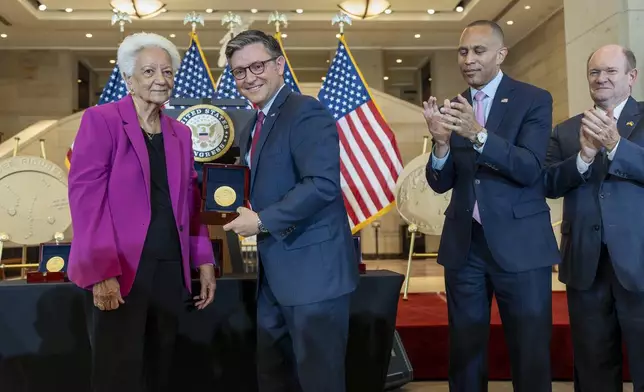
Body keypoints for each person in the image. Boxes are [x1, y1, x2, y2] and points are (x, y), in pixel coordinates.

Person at [67, 32, 216, 392]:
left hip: (169, 269)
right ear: (128, 79)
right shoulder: (100, 120)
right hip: (120, 268)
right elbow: (86, 200)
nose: (160, 79)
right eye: (149, 71)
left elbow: (189, 203)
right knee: (116, 371)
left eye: (167, 71)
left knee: (161, 369)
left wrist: (204, 260)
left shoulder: (180, 132)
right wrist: (102, 271)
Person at [424, 20, 560, 391]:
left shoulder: (533, 99)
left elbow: (531, 167)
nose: (468, 59)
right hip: (465, 247)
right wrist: (440, 146)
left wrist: (477, 135)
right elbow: (440, 182)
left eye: (479, 51)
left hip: (520, 244)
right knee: (465, 353)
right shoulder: (455, 105)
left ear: (501, 55)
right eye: (463, 51)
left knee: (529, 350)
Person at [221, 30, 358, 392]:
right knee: (275, 376)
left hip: (315, 274)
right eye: (239, 71)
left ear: (279, 64)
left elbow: (322, 184)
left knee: (319, 380)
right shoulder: (250, 125)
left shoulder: (305, 110)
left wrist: (262, 220)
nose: (249, 77)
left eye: (257, 66)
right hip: (273, 273)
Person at [545, 44, 644, 391]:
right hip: (585, 263)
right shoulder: (567, 131)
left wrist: (616, 145)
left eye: (610, 72)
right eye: (594, 73)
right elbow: (547, 183)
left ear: (631, 77)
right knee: (593, 365)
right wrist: (583, 157)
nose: (601, 79)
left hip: (638, 261)